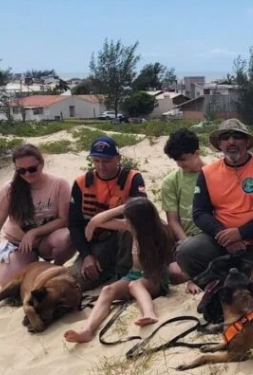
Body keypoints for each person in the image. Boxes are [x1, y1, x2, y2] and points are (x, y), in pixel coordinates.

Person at [175, 119, 253, 281]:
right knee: (186, 251)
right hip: (222, 241)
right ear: (219, 144)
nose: (231, 141)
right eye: (225, 137)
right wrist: (223, 236)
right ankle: (216, 288)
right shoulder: (208, 172)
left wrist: (241, 233)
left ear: (247, 142)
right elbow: (199, 212)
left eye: (237, 136)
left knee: (249, 281)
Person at [64, 197, 176, 343]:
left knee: (135, 285)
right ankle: (87, 330)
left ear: (140, 220)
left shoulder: (159, 232)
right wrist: (123, 208)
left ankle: (149, 314)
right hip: (134, 274)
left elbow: (163, 265)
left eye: (129, 219)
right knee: (107, 290)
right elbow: (97, 221)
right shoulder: (131, 227)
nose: (126, 221)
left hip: (154, 278)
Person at [0, 144, 74, 285]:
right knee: (10, 283)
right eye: (21, 171)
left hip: (46, 239)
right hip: (19, 244)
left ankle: (55, 268)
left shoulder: (59, 184)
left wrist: (34, 233)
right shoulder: (10, 190)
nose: (27, 174)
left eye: (32, 169)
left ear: (41, 164)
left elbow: (64, 219)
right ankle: (33, 266)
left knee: (67, 237)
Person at [67, 136, 147, 291]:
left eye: (106, 161)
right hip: (97, 241)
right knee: (76, 281)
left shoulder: (132, 178)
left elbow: (141, 211)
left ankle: (125, 273)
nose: (101, 166)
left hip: (126, 237)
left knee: (132, 228)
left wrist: (98, 220)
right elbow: (74, 225)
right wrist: (86, 255)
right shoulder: (81, 183)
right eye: (96, 161)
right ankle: (109, 269)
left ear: (118, 159)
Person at [161, 128, 206, 293]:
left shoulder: (213, 174)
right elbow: (172, 221)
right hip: (184, 239)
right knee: (174, 273)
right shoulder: (171, 181)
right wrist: (187, 245)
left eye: (182, 159)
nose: (179, 164)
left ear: (196, 153)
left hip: (209, 237)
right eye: (175, 160)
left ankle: (198, 275)